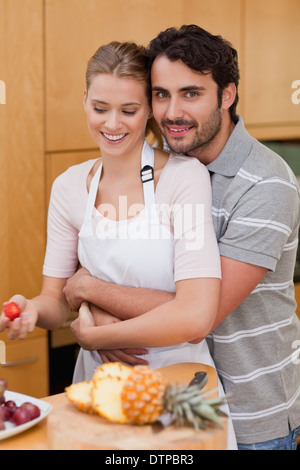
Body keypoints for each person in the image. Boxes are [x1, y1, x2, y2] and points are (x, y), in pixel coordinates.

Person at [63, 26, 300, 450]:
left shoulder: (266, 185)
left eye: (191, 94)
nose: (172, 112)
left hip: (250, 416)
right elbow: (115, 258)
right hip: (169, 406)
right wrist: (92, 302)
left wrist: (89, 291)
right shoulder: (162, 166)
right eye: (161, 94)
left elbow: (199, 314)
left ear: (226, 95)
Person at [0, 40, 237, 448]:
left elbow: (196, 317)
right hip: (98, 383)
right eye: (99, 108)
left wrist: (95, 332)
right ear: (85, 102)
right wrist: (30, 309)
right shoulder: (70, 186)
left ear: (149, 109)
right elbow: (57, 303)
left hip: (177, 382)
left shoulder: (184, 179)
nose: (113, 124)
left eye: (129, 111)